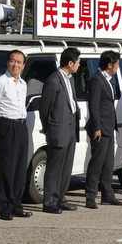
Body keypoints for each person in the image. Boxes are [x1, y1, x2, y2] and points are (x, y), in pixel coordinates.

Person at [0, 49, 32, 220]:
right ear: (8, 62)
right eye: (13, 61)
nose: (16, 65)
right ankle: (5, 207)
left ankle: (16, 205)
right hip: (6, 125)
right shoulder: (0, 82)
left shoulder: (23, 83)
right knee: (7, 168)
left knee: (20, 168)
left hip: (21, 126)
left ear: (23, 65)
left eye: (19, 62)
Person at [39, 48, 81, 214]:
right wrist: (49, 128)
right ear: (70, 63)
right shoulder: (53, 80)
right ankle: (49, 201)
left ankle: (60, 197)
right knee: (54, 168)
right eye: (77, 62)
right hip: (58, 129)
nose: (79, 65)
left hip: (70, 128)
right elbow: (45, 108)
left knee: (66, 167)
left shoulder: (69, 79)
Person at [85, 50, 122, 209]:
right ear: (109, 65)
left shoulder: (109, 79)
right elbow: (93, 105)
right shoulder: (97, 80)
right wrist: (96, 127)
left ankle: (107, 194)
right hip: (100, 128)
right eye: (116, 64)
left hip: (109, 127)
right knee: (97, 163)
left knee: (109, 163)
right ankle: (90, 195)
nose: (118, 67)